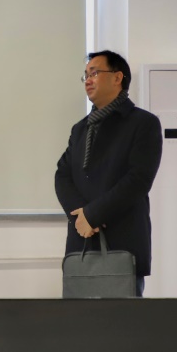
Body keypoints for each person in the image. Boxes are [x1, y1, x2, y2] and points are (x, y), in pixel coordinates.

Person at [55, 51, 162, 297]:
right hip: (82, 240)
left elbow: (138, 180)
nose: (88, 80)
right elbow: (62, 175)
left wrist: (93, 214)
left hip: (122, 241)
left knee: (121, 319)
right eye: (85, 75)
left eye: (94, 73)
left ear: (117, 78)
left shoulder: (143, 123)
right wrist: (80, 216)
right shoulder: (80, 129)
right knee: (78, 318)